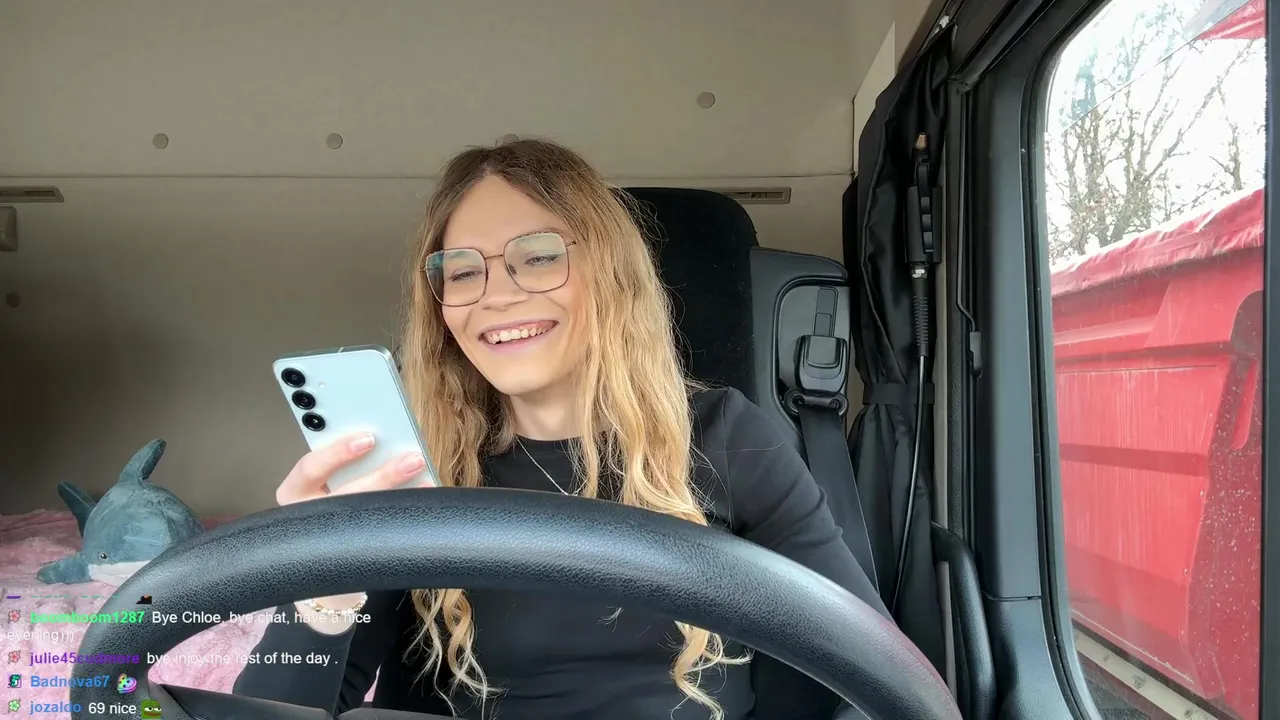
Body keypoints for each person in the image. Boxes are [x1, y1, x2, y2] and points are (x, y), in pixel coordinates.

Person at [233, 138, 890, 720]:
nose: (496, 294)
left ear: (609, 274)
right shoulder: (409, 472)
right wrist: (320, 587)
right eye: (463, 270)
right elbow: (269, 711)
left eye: (539, 256)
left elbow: (870, 670)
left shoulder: (727, 435)